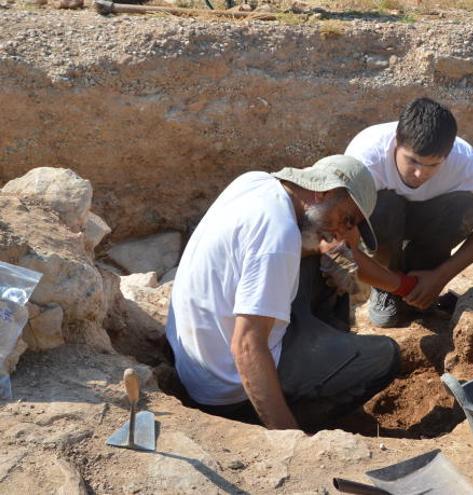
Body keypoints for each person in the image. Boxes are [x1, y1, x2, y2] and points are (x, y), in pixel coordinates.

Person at [166, 155, 405, 431]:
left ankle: (324, 348)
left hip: (196, 360)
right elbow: (246, 346)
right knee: (385, 356)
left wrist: (332, 252)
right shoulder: (278, 238)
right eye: (347, 219)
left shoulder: (256, 182)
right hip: (227, 386)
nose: (343, 232)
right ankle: (295, 413)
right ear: (323, 190)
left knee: (331, 255)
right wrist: (287, 436)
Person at [345, 97, 473, 328]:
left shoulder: (464, 160)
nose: (420, 173)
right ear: (397, 142)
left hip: (429, 222)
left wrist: (440, 276)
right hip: (383, 226)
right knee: (383, 206)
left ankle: (423, 284)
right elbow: (339, 241)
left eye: (433, 165)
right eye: (413, 161)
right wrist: (394, 283)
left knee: (467, 206)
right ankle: (386, 289)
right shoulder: (365, 159)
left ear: (448, 155)